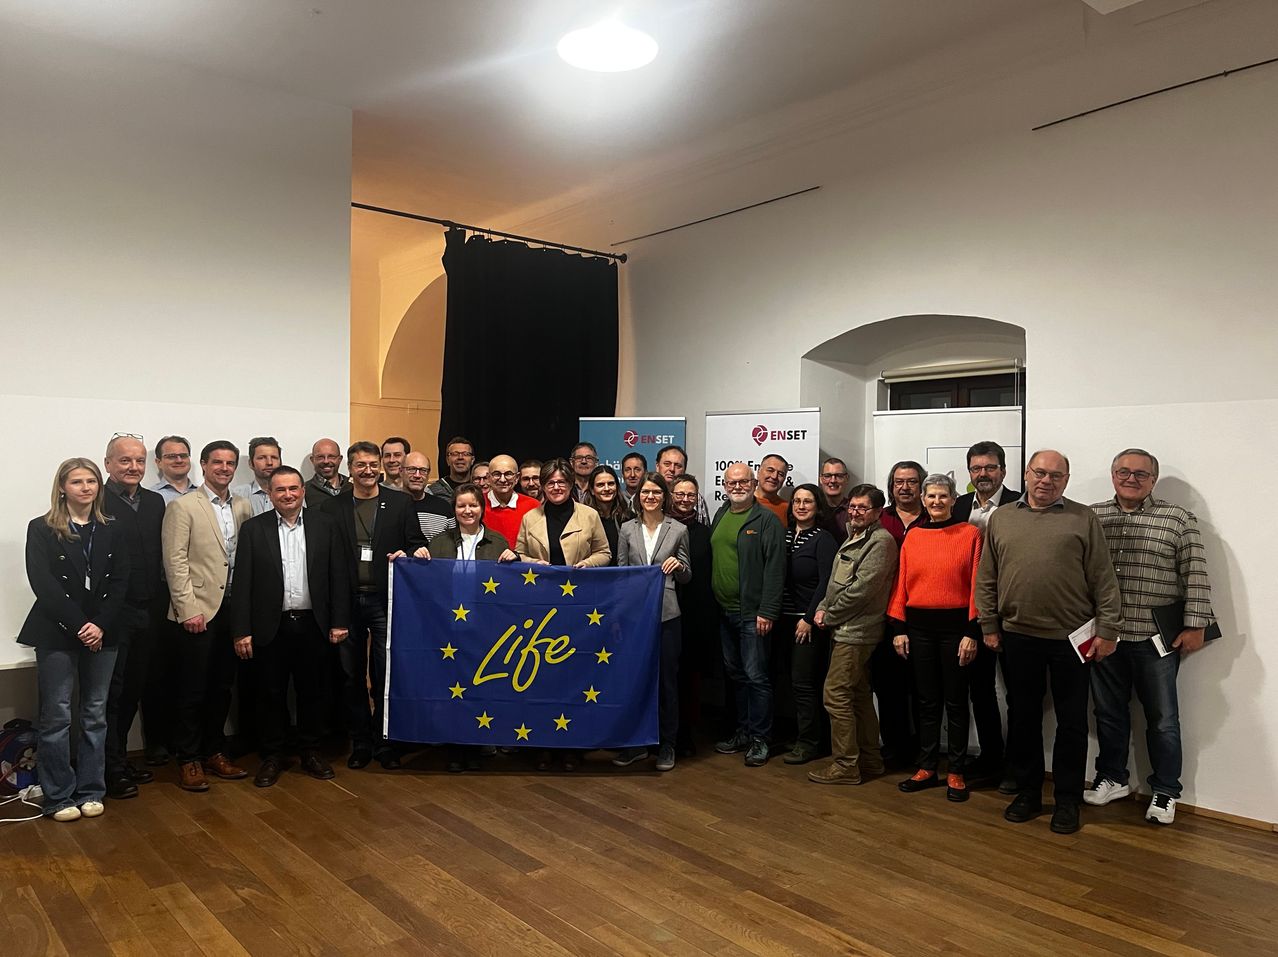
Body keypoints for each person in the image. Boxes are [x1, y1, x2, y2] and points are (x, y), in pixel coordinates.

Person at [976, 449, 1124, 835]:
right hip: (1018, 636)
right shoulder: (1002, 518)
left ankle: (1067, 800)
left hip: (1072, 640)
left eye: (1055, 476)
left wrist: (1108, 630)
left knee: (1072, 723)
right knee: (1023, 719)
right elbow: (986, 577)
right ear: (1026, 475)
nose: (1046, 481)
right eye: (1039, 473)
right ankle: (1026, 793)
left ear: (1066, 480)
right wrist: (989, 624)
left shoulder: (1082, 518)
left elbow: (1103, 579)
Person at [1084, 449, 1215, 826]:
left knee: (1162, 720)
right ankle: (1112, 777)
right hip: (1105, 636)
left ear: (1153, 480)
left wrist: (1195, 624)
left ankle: (1165, 790)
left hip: (1155, 640)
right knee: (1107, 713)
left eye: (1141, 474)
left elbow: (1196, 574)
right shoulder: (1091, 516)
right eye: (1123, 471)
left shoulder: (1178, 520)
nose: (1131, 478)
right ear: (1112, 475)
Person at [19, 458, 130, 821]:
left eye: (92, 481)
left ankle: (91, 790)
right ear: (62, 487)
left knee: (95, 714)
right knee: (57, 717)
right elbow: (44, 585)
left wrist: (98, 625)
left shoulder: (112, 528)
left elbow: (120, 584)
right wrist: (81, 626)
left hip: (103, 631)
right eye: (77, 481)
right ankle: (58, 796)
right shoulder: (42, 528)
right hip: (57, 631)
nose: (86, 487)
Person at [229, 467, 350, 787]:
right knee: (270, 694)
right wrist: (241, 630)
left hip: (314, 624)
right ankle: (272, 755)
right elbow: (242, 583)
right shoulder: (255, 529)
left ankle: (311, 751)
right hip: (271, 626)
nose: (288, 495)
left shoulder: (326, 525)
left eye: (293, 488)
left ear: (303, 491)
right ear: (270, 494)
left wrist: (339, 621)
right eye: (280, 490)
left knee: (314, 692)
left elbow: (338, 575)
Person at [320, 441, 427, 771]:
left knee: (384, 673)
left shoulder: (400, 503)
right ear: (349, 469)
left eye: (372, 464)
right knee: (350, 675)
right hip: (346, 602)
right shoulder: (331, 508)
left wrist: (413, 553)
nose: (367, 470)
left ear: (380, 466)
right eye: (359, 465)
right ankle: (361, 740)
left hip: (385, 600)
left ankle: (384, 742)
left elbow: (417, 542)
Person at [161, 440, 253, 792]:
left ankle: (214, 751)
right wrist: (188, 610)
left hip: (232, 609)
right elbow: (175, 562)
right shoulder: (183, 507)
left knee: (221, 687)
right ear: (204, 465)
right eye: (217, 463)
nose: (224, 469)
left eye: (230, 464)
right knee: (192, 689)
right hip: (198, 611)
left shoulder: (243, 506)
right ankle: (188, 759)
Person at [887, 473, 983, 803]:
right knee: (927, 701)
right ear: (924, 501)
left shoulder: (970, 534)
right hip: (919, 629)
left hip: (957, 631)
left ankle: (956, 770)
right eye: (931, 497)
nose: (937, 502)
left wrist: (972, 632)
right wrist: (899, 628)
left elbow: (977, 587)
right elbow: (901, 582)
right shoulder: (913, 535)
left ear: (954, 500)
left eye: (943, 496)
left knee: (956, 702)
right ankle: (927, 766)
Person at [513, 458, 611, 772]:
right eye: (551, 482)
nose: (556, 487)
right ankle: (542, 744)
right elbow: (518, 553)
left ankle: (572, 747)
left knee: (575, 676)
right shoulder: (530, 517)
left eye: (562, 482)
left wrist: (589, 565)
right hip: (540, 608)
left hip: (579, 608)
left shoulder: (590, 515)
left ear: (571, 485)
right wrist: (532, 564)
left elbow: (605, 553)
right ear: (542, 486)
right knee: (541, 676)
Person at [807, 485, 898, 786]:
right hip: (843, 628)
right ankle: (870, 761)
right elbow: (835, 582)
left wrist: (829, 615)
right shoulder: (854, 535)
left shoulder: (881, 542)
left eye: (863, 508)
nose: (856, 512)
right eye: (853, 507)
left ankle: (846, 765)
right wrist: (822, 608)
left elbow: (860, 592)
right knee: (858, 695)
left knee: (835, 695)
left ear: (877, 512)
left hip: (856, 632)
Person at [424, 483, 512, 772]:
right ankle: (454, 745)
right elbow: (427, 581)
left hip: (484, 627)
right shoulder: (439, 542)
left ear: (482, 508)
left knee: (480, 683)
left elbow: (510, 586)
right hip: (448, 626)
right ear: (454, 510)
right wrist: (415, 557)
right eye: (461, 506)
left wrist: (516, 558)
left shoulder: (497, 542)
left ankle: (477, 743)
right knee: (452, 686)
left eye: (473, 505)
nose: (467, 510)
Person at [100, 435, 166, 799]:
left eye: (140, 461)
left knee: (134, 690)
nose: (133, 468)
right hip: (114, 613)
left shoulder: (155, 502)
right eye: (125, 461)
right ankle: (107, 768)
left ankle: (120, 758)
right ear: (108, 463)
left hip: (150, 609)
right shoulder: (97, 501)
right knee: (111, 693)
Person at [952, 440, 1020, 791]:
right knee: (980, 691)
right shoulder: (959, 505)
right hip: (971, 614)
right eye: (976, 468)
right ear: (969, 473)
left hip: (1010, 613)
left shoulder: (1020, 504)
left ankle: (1018, 765)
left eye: (990, 468)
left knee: (1018, 694)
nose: (983, 474)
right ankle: (991, 757)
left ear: (1003, 471)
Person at [613, 473, 692, 772]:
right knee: (635, 679)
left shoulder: (679, 529)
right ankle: (636, 745)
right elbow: (620, 574)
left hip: (667, 614)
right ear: (638, 495)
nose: (650, 496)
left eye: (656, 492)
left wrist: (680, 566)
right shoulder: (626, 529)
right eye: (646, 492)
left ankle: (666, 745)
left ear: (664, 496)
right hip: (633, 616)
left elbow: (687, 575)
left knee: (667, 682)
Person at [710, 462, 785, 767]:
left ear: (753, 483)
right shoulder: (720, 514)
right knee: (736, 675)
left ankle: (760, 738)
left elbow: (775, 569)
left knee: (757, 677)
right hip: (724, 611)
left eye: (743, 482)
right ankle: (742, 731)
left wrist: (767, 610)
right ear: (724, 485)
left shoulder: (766, 520)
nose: (737, 487)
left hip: (753, 615)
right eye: (732, 482)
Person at [872, 459, 926, 767]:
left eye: (911, 482)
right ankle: (894, 749)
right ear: (891, 487)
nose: (905, 487)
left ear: (921, 486)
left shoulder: (933, 517)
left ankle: (923, 751)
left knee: (923, 690)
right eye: (899, 482)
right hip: (884, 615)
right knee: (889, 688)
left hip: (921, 616)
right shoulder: (881, 518)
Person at [778, 484, 836, 765]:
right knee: (788, 682)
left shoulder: (823, 539)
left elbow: (827, 583)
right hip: (783, 619)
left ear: (818, 507)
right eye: (797, 501)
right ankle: (799, 734)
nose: (801, 506)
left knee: (805, 683)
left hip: (807, 622)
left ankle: (811, 742)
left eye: (808, 501)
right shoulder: (786, 535)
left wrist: (808, 618)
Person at [670, 475, 718, 755]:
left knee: (689, 677)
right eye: (680, 494)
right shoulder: (660, 526)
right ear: (671, 495)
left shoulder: (705, 532)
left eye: (691, 495)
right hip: (663, 611)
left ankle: (685, 733)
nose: (685, 499)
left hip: (695, 614)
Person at [482, 454, 537, 547]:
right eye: (497, 474)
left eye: (508, 474)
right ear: (488, 478)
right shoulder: (477, 503)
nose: (503, 480)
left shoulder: (533, 506)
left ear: (517, 478)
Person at [583, 464, 633, 562]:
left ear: (617, 487)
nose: (606, 489)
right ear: (592, 490)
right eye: (600, 485)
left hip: (622, 574)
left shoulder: (628, 517)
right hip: (592, 573)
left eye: (610, 484)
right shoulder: (583, 518)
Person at [403, 451, 452, 541]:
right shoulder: (391, 505)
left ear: (428, 474)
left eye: (423, 470)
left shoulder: (443, 507)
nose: (417, 475)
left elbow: (454, 543)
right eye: (411, 469)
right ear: (401, 471)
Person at [656, 445, 711, 524]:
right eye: (667, 464)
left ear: (684, 469)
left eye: (678, 466)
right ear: (657, 466)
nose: (672, 469)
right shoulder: (646, 495)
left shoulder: (696, 498)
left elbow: (703, 531)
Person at [232, 436, 282, 516]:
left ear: (280, 462)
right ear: (251, 463)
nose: (269, 462)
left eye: (274, 457)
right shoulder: (237, 495)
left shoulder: (292, 494)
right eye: (262, 458)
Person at [151, 435, 196, 503]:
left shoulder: (204, 493)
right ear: (159, 462)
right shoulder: (150, 496)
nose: (179, 460)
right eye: (172, 457)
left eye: (183, 456)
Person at [429, 436, 475, 501]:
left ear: (472, 460)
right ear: (447, 460)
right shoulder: (432, 491)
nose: (460, 457)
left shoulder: (480, 488)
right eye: (455, 454)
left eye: (465, 454)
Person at [305, 438, 348, 506]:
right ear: (312, 460)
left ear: (340, 459)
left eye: (331, 457)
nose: (326, 461)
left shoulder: (353, 486)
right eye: (320, 457)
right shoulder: (304, 491)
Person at [817, 458, 851, 538]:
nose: (833, 480)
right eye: (827, 476)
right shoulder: (813, 509)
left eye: (839, 476)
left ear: (847, 479)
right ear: (821, 479)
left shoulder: (854, 510)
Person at [754, 454, 791, 525]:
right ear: (758, 472)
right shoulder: (742, 503)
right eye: (770, 470)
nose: (774, 477)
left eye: (780, 474)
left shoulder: (788, 509)